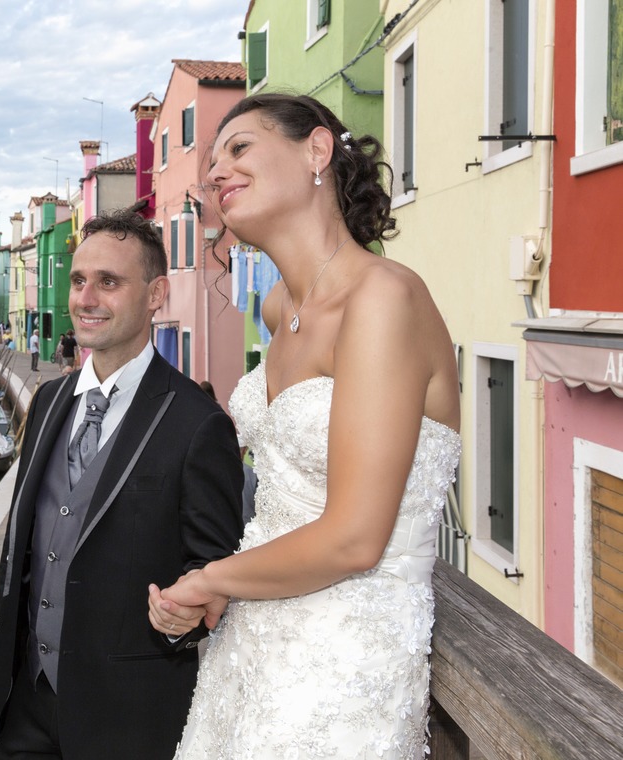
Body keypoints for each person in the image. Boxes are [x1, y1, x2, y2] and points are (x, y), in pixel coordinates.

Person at [149, 93, 462, 758]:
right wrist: (223, 589)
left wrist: (210, 579)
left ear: (317, 151)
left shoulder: (384, 297)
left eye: (239, 148)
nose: (216, 173)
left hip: (343, 662)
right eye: (212, 163)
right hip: (251, 648)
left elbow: (355, 539)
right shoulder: (276, 308)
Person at [0, 209, 244, 759]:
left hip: (129, 720)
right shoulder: (48, 402)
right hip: (26, 706)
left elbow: (214, 568)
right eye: (78, 280)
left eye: (109, 282)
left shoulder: (199, 424)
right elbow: (19, 558)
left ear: (156, 294)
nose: (86, 298)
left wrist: (184, 619)